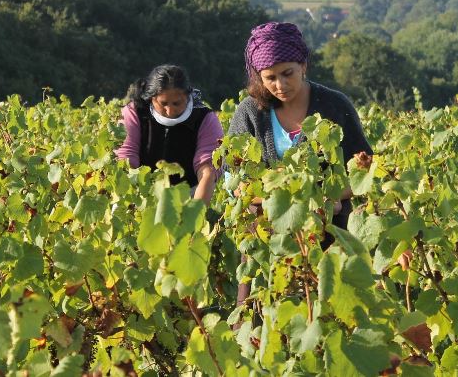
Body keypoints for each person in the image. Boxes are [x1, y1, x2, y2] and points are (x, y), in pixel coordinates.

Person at [228, 22, 372, 305]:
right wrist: (291, 200)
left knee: (330, 313)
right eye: (270, 78)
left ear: (303, 65)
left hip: (329, 232)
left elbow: (364, 171)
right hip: (266, 235)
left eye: (287, 74)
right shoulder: (249, 112)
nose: (280, 85)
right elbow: (236, 181)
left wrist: (324, 196)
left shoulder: (334, 105)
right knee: (265, 320)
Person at [115, 64, 223, 204]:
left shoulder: (205, 119)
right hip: (141, 192)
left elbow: (207, 171)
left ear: (188, 96)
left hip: (190, 193)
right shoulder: (134, 113)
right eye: (163, 103)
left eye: (176, 103)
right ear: (152, 98)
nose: (170, 111)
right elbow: (126, 160)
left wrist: (195, 215)